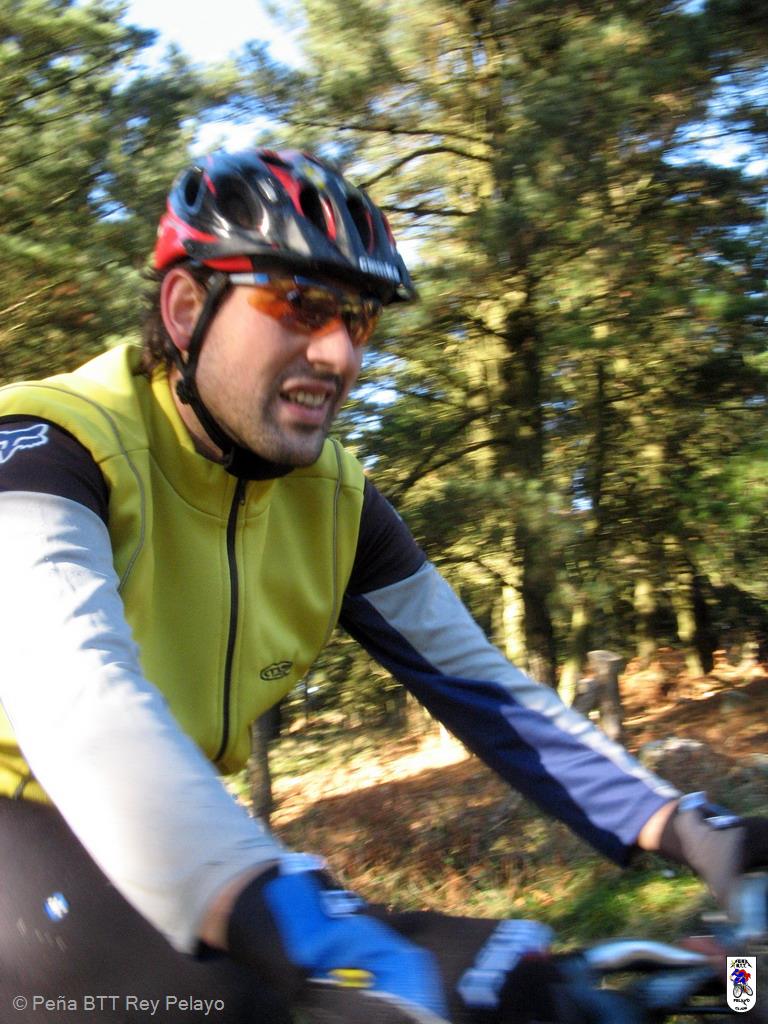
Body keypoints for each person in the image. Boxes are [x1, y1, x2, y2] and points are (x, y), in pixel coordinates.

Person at [0, 148, 766, 1024]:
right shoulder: (48, 447)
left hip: (177, 841)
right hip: (25, 829)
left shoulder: (333, 499)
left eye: (358, 320)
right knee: (243, 997)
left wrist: (690, 825)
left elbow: (485, 689)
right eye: (300, 304)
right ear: (185, 308)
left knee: (511, 991)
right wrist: (305, 927)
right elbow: (79, 698)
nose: (338, 353)